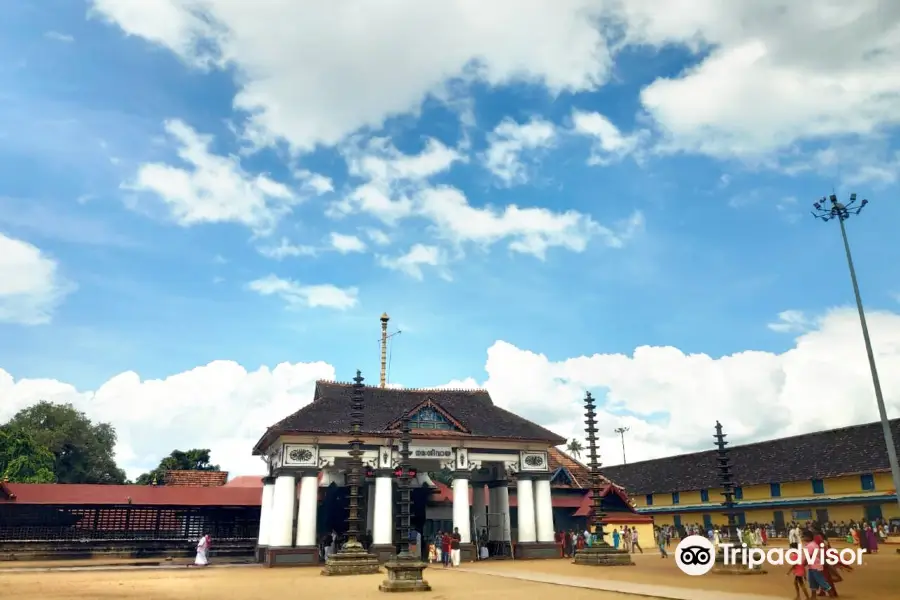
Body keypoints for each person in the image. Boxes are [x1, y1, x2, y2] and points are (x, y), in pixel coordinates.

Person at [803, 530, 832, 597]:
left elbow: (809, 556)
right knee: (812, 582)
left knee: (821, 582)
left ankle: (831, 594)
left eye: (804, 536)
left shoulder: (810, 546)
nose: (803, 538)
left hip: (815, 567)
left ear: (808, 537)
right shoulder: (814, 544)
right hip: (814, 567)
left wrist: (803, 564)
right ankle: (813, 597)